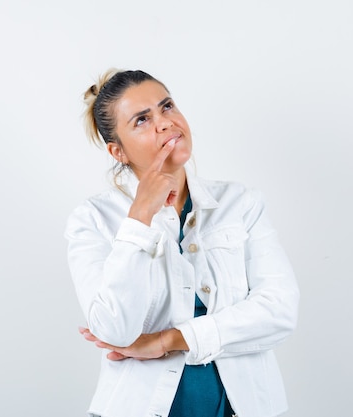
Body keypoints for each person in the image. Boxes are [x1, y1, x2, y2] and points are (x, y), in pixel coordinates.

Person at [65, 69, 299, 417]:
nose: (164, 123)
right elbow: (115, 330)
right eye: (142, 120)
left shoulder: (241, 203)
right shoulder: (93, 219)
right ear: (119, 151)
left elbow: (279, 311)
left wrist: (166, 341)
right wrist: (140, 217)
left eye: (167, 106)